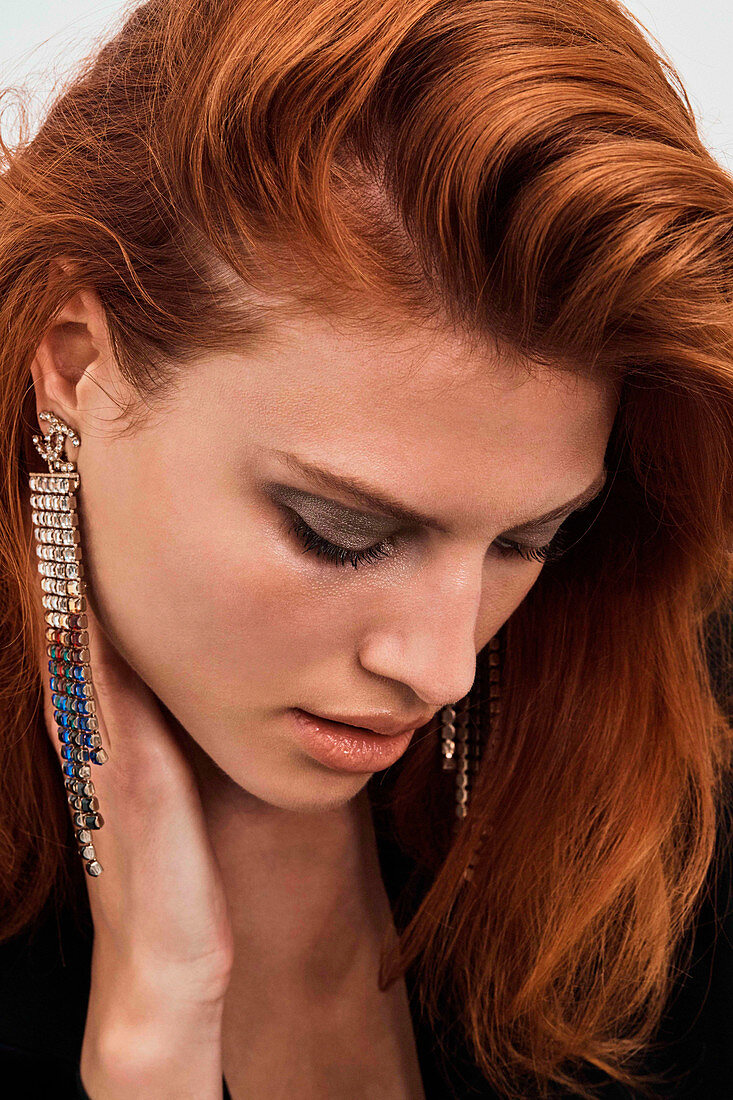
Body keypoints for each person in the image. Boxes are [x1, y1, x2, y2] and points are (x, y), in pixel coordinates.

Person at [0, 0, 731, 1096]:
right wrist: (153, 1037)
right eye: (340, 531)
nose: (444, 666)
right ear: (74, 361)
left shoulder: (682, 768)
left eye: (534, 538)